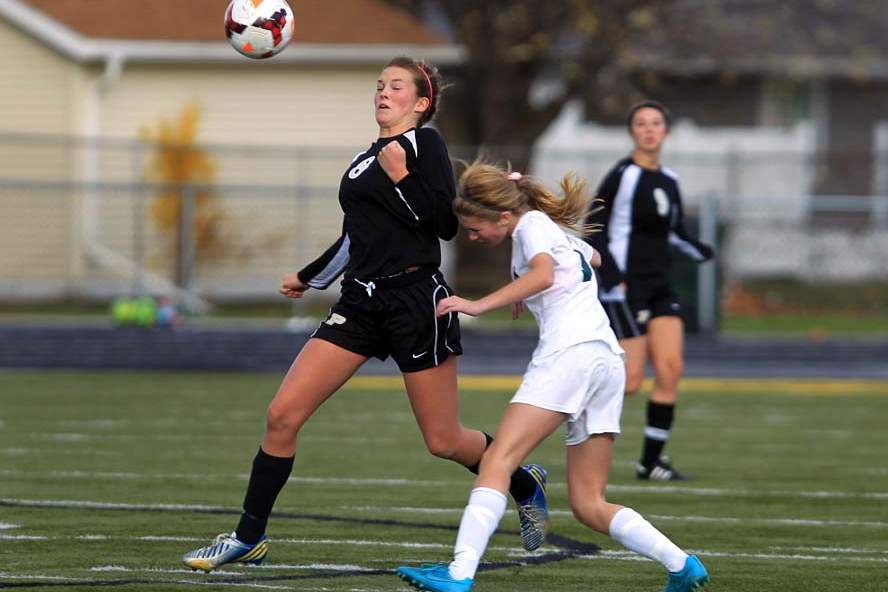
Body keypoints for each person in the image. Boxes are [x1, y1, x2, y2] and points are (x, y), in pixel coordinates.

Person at [181, 57, 548, 572]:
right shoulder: (362, 159)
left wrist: (402, 178)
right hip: (358, 303)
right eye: (378, 84)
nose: (382, 92)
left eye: (395, 86)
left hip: (417, 302)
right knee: (282, 415)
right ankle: (248, 536)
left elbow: (442, 224)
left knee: (443, 440)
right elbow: (358, 233)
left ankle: (523, 480)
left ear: (420, 103)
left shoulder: (427, 145)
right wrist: (313, 277)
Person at [395, 162, 709, 592]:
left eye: (473, 228)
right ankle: (681, 564)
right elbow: (593, 260)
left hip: (570, 355)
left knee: (497, 460)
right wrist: (532, 289)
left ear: (503, 216)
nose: (471, 236)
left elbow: (544, 273)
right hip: (605, 360)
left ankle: (458, 573)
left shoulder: (531, 227)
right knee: (588, 503)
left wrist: (478, 304)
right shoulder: (550, 231)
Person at [587, 100, 714, 481]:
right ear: (632, 132)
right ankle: (572, 414)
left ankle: (651, 461)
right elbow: (594, 227)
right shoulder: (622, 176)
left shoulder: (669, 180)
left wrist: (700, 250)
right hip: (628, 288)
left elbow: (673, 232)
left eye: (656, 123)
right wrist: (612, 278)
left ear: (666, 131)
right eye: (641, 123)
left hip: (661, 285)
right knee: (629, 381)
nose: (649, 129)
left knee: (672, 369)